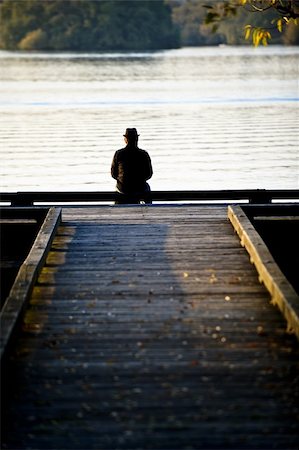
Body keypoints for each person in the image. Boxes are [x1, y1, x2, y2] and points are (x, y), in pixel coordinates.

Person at [111, 128, 153, 204]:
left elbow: (113, 174)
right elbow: (149, 174)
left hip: (123, 189)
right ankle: (148, 210)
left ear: (126, 139)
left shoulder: (119, 154)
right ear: (136, 139)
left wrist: (122, 180)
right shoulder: (143, 154)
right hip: (139, 188)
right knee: (147, 188)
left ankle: (118, 208)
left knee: (117, 187)